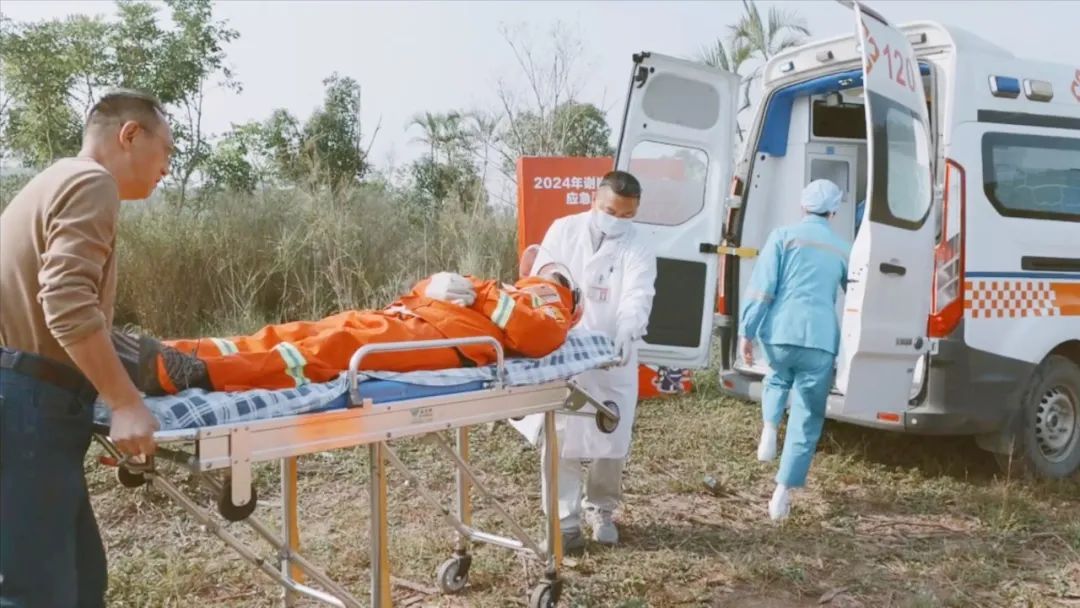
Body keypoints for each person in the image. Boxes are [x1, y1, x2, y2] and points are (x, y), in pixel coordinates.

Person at [0, 89, 172, 606]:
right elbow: (66, 302)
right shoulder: (92, 182)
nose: (166, 168)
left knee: (80, 583)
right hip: (29, 404)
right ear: (130, 135)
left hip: (32, 399)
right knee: (38, 592)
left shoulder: (52, 179)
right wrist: (124, 402)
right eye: (165, 150)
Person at [118, 265, 582, 395]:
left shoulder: (552, 303)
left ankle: (194, 373)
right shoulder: (509, 288)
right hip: (407, 315)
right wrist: (440, 284)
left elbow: (538, 338)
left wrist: (479, 290)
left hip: (439, 340)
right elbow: (437, 290)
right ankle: (170, 351)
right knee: (294, 332)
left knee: (329, 350)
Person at [512, 170, 657, 552]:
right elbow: (543, 283)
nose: (618, 220)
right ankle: (564, 521)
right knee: (561, 436)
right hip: (566, 349)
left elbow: (639, 292)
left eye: (627, 215)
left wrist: (628, 329)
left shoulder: (639, 243)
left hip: (613, 352)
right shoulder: (564, 230)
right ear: (595, 200)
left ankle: (602, 509)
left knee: (613, 436)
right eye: (611, 212)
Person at [739, 179, 852, 521]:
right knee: (807, 415)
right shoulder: (842, 248)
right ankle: (781, 493)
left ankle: (770, 427)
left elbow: (762, 289)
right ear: (834, 211)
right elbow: (855, 295)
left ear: (803, 206)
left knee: (777, 377)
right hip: (820, 339)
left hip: (780, 332)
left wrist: (747, 332)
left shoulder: (783, 236)